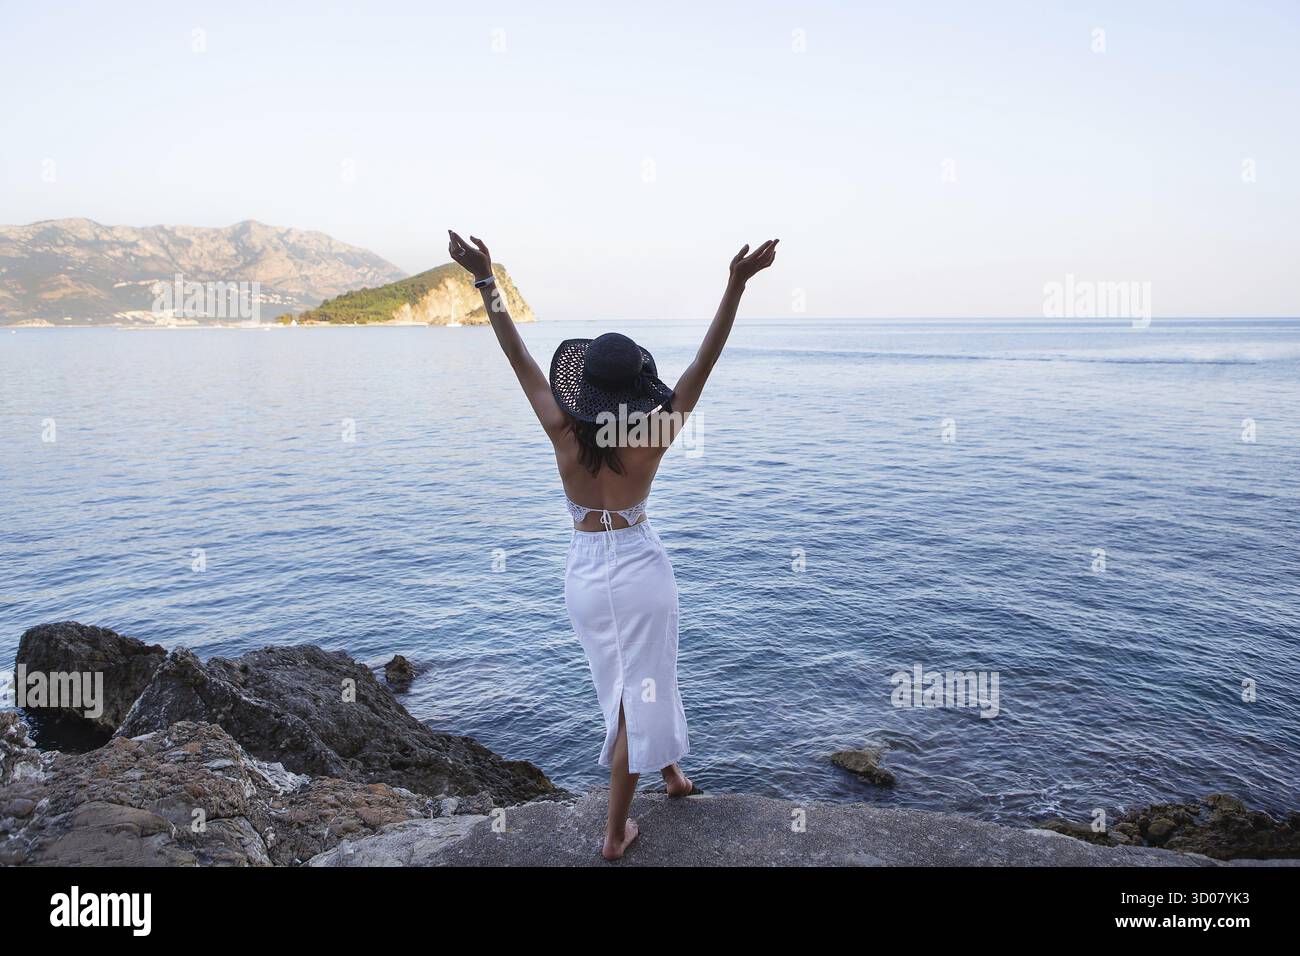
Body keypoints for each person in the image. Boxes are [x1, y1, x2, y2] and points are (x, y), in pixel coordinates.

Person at [448, 229, 778, 860]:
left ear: (584, 386)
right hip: (639, 565)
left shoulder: (561, 432)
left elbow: (517, 356)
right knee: (639, 691)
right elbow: (702, 365)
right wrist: (736, 286)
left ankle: (671, 773)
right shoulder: (653, 434)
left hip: (585, 575)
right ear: (633, 389)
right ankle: (612, 834)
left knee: (637, 678)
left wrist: (486, 281)